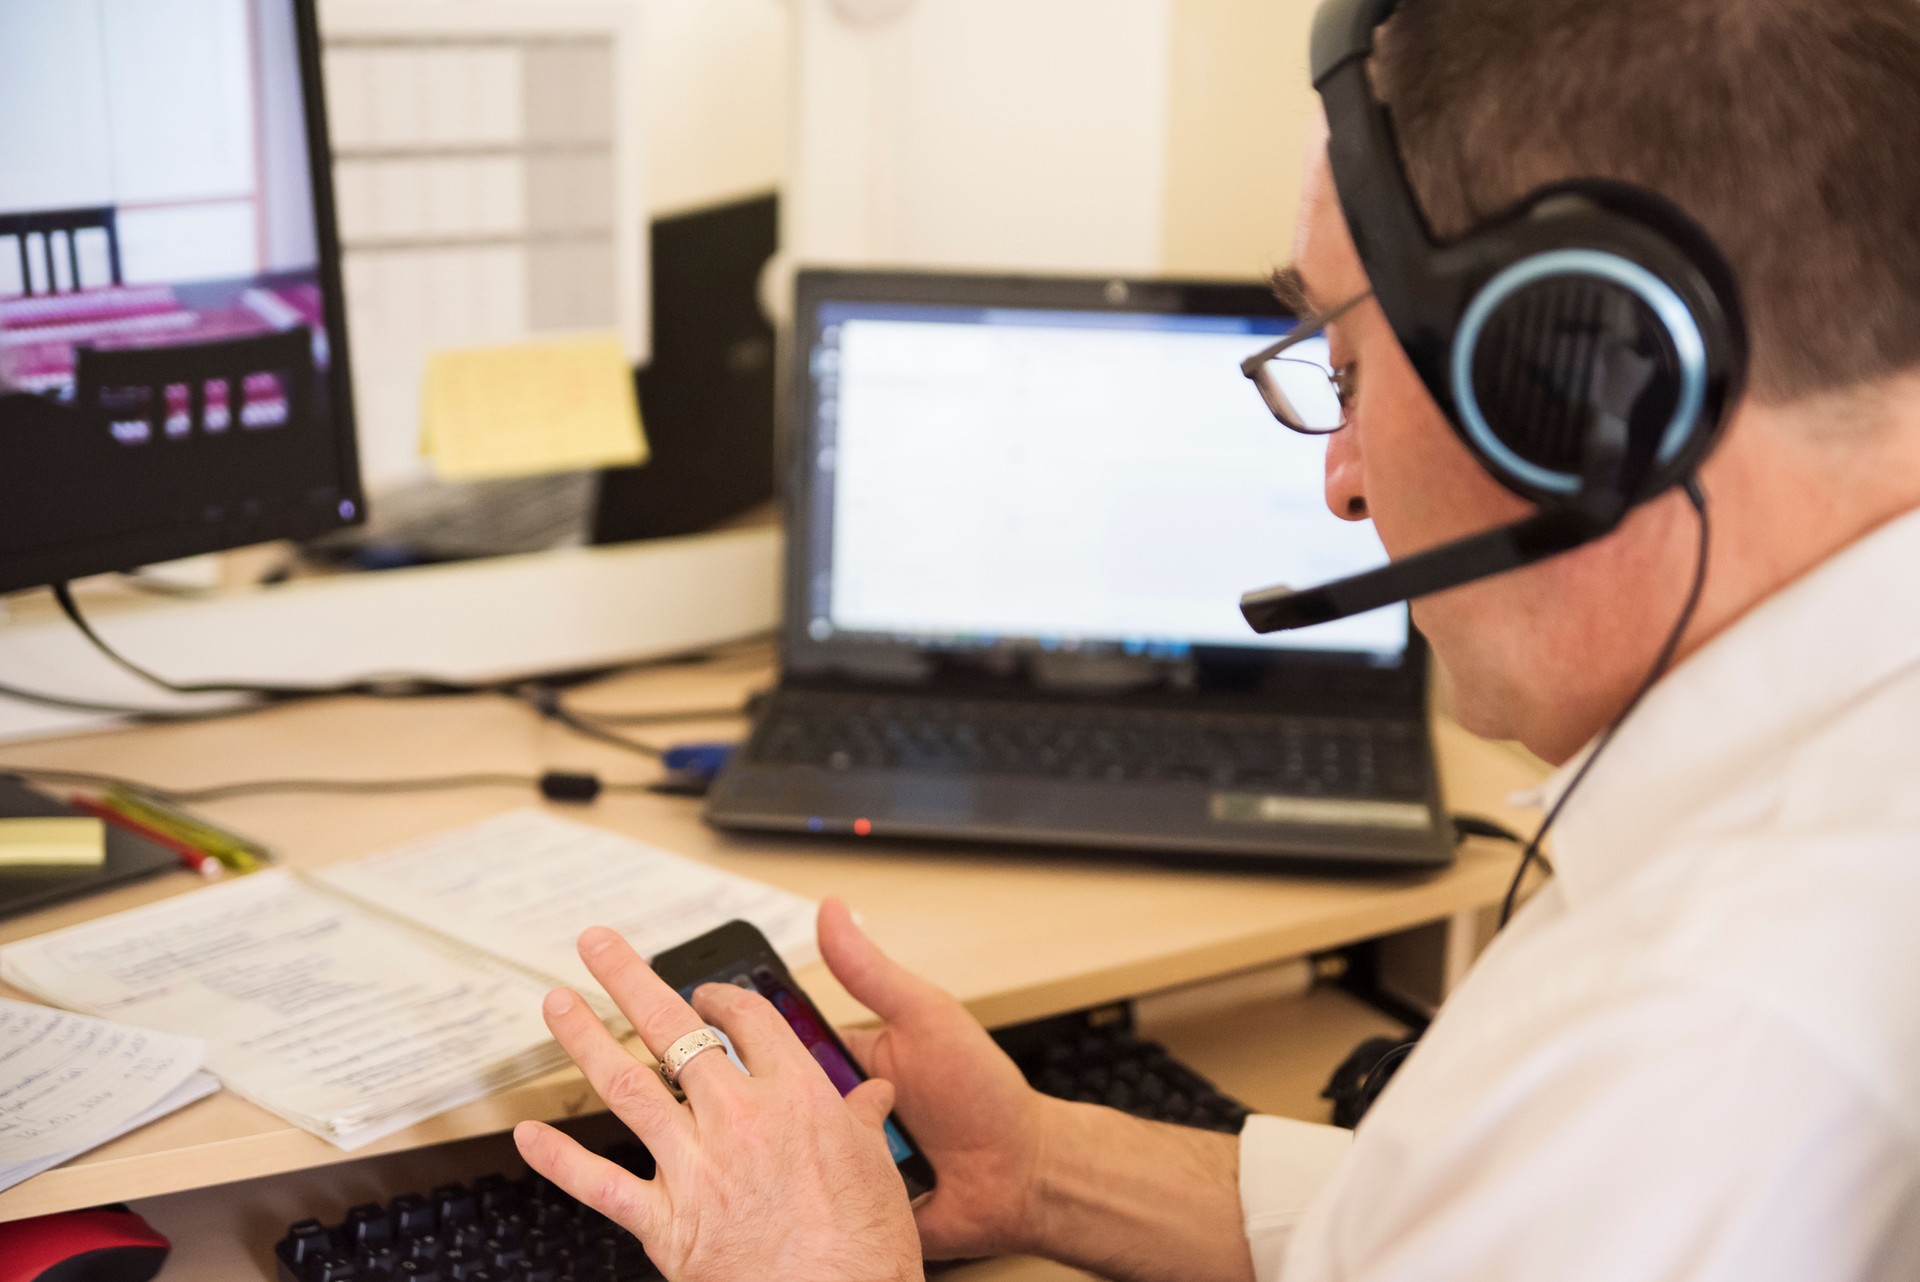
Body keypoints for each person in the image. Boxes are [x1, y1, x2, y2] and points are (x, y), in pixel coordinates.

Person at [510, 0, 1920, 1276]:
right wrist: (1047, 1169)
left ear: (1585, 382)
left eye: (1349, 368)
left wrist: (811, 1262)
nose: (1343, 481)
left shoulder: (1705, 1031)